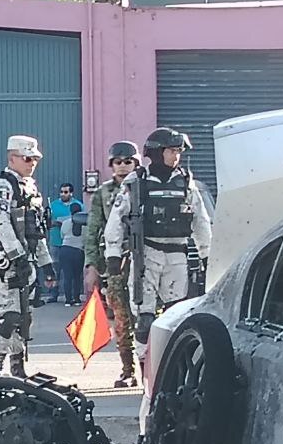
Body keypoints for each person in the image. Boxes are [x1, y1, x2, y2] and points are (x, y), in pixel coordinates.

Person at [103, 127, 212, 367]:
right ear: (157, 152)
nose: (176, 156)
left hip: (178, 256)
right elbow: (116, 218)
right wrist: (112, 255)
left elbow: (201, 221)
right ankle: (145, 368)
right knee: (144, 320)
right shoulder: (137, 182)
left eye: (178, 152)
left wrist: (206, 255)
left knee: (176, 317)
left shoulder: (186, 182)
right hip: (147, 255)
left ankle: (175, 367)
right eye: (172, 151)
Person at [0, 134, 56, 377]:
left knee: (24, 318)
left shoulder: (30, 188)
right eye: (27, 158)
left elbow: (37, 230)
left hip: (28, 260)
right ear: (12, 157)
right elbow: (1, 222)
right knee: (8, 318)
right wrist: (17, 256)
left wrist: (46, 264)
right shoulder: (2, 185)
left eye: (34, 158)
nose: (31, 163)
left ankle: (18, 369)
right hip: (6, 263)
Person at [83, 140, 140, 387]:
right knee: (121, 319)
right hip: (114, 265)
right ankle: (128, 370)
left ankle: (153, 368)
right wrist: (91, 265)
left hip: (144, 262)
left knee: (148, 317)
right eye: (118, 162)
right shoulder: (103, 193)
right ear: (111, 165)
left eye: (128, 161)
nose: (123, 166)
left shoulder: (144, 187)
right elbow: (93, 229)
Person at [50, 182, 86, 306]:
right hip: (56, 242)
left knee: (68, 273)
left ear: (71, 193)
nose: (63, 194)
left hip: (65, 244)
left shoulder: (79, 205)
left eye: (66, 192)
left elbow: (64, 232)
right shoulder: (53, 205)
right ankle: (54, 294)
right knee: (56, 270)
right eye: (61, 192)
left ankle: (68, 298)